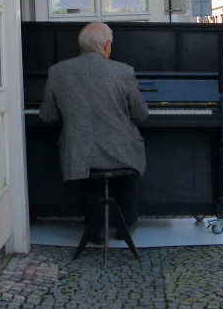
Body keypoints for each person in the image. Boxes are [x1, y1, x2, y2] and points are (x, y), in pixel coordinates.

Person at [39, 22, 149, 241]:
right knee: (130, 168)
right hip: (121, 152)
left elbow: (47, 116)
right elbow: (141, 114)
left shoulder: (57, 71)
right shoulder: (124, 72)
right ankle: (125, 224)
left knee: (87, 168)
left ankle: (94, 226)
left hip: (80, 153)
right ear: (106, 45)